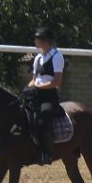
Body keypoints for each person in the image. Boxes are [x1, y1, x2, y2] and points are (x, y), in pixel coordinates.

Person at [25, 26, 64, 164]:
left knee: (43, 118)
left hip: (49, 97)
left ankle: (46, 152)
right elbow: (34, 79)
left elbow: (57, 82)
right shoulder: (38, 58)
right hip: (36, 94)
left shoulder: (57, 57)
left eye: (38, 39)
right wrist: (27, 88)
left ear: (45, 41)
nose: (35, 41)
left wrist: (39, 87)